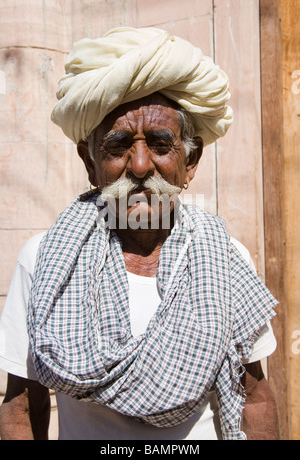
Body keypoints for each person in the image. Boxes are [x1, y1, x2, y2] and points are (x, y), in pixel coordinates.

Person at [0, 27, 279, 440]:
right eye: (118, 146)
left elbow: (253, 396)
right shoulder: (44, 259)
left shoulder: (227, 258)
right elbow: (23, 404)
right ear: (90, 161)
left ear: (191, 160)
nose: (141, 166)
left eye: (162, 145)